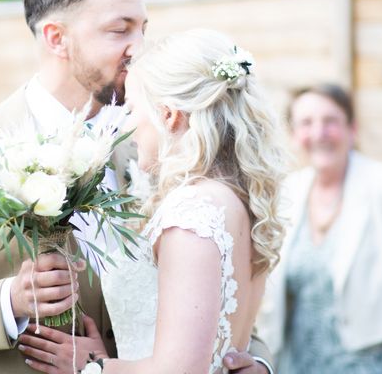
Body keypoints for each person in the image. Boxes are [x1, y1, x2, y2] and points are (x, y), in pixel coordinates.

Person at [0, 0, 276, 374]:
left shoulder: (155, 148)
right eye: (119, 30)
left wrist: (253, 361)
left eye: (143, 29)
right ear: (57, 38)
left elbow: (213, 292)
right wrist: (9, 301)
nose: (139, 49)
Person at [16, 28, 287, 374]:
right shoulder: (237, 198)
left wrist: (91, 368)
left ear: (169, 115)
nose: (127, 125)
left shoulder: (191, 211)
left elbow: (178, 370)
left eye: (131, 109)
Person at [257, 83, 382, 373]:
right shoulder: (287, 194)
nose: (319, 133)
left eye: (330, 121)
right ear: (294, 134)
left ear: (352, 129)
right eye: (307, 123)